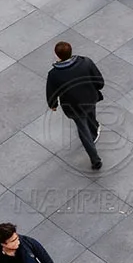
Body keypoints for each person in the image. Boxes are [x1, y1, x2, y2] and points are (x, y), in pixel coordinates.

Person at [45, 41, 105, 171]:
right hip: (90, 98)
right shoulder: (86, 62)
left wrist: (53, 104)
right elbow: (99, 80)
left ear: (57, 55)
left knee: (83, 130)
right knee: (90, 112)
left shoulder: (54, 74)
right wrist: (97, 87)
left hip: (73, 107)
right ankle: (94, 130)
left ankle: (95, 160)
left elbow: (52, 92)